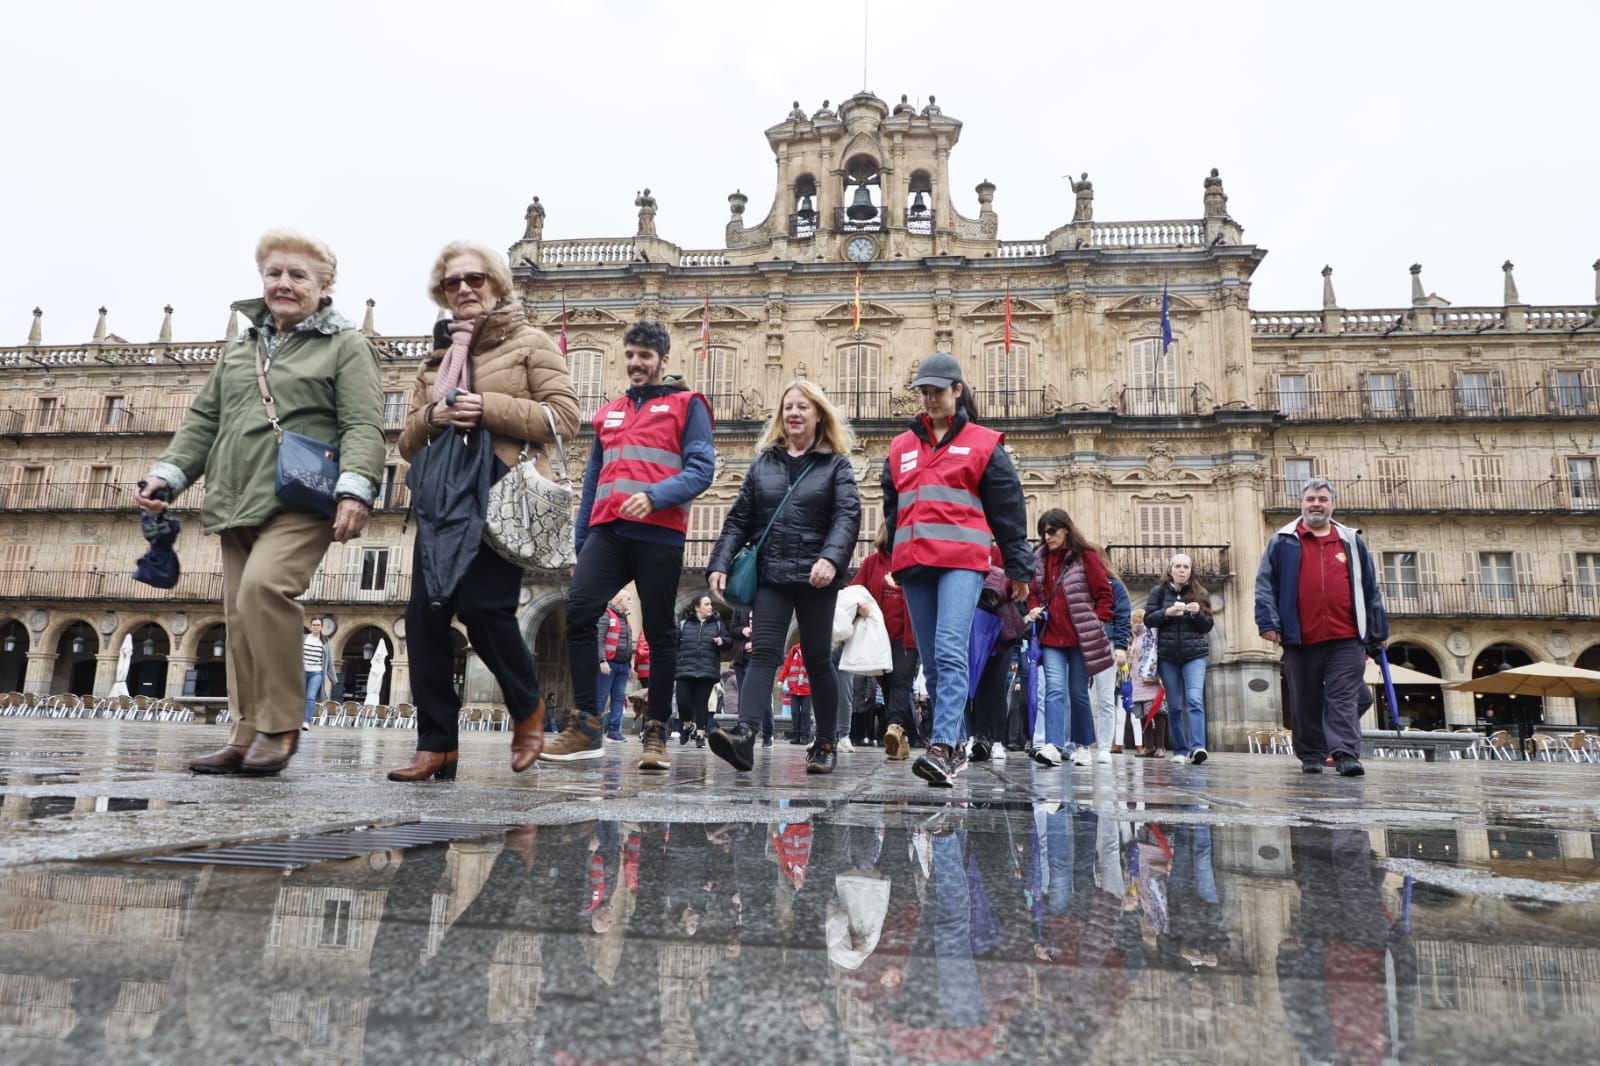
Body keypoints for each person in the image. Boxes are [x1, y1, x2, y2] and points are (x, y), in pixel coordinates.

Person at [137, 229, 383, 776]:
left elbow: (362, 423)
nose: (284, 283)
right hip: (234, 495)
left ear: (325, 285)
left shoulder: (346, 345)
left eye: (298, 275)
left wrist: (356, 488)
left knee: (265, 590)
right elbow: (204, 420)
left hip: (301, 495)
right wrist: (167, 477)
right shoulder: (241, 349)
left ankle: (279, 725)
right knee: (241, 616)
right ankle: (244, 732)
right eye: (274, 273)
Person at [387, 241, 579, 782]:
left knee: (484, 609)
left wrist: (487, 408)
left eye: (475, 279)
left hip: (498, 492)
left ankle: (527, 707)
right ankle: (437, 745)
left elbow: (563, 418)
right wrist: (431, 416)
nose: (465, 289)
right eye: (453, 283)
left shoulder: (529, 343)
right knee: (423, 618)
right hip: (442, 494)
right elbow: (405, 443)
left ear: (497, 284)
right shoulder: (436, 359)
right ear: (442, 293)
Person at [548, 320, 715, 767]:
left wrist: (656, 496)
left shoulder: (687, 405)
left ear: (663, 360)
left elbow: (703, 470)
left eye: (645, 356)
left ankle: (656, 733)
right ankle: (585, 724)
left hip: (659, 532)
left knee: (661, 632)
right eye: (630, 355)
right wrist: (580, 547)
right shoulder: (609, 413)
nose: (636, 363)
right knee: (580, 612)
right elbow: (593, 481)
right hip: (606, 530)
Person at [881, 352, 1032, 786]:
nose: (928, 399)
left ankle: (943, 745)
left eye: (936, 391)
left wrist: (1019, 568)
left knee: (949, 649)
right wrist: (893, 554)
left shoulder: (984, 444)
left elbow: (1008, 510)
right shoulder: (900, 447)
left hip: (962, 562)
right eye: (923, 392)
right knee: (931, 660)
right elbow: (894, 509)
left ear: (957, 391)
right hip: (914, 564)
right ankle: (956, 742)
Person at [705, 379, 860, 774]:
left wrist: (831, 558)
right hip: (771, 572)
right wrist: (719, 562)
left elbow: (847, 516)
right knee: (764, 653)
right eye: (788, 406)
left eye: (802, 407)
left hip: (816, 576)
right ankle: (744, 735)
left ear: (818, 415)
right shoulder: (763, 463)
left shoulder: (835, 464)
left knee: (818, 658)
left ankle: (825, 742)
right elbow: (739, 518)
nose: (793, 412)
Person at [1255, 478, 1388, 777]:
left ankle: (1345, 754)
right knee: (1305, 698)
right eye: (1311, 498)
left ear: (1332, 504)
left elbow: (1370, 587)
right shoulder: (1283, 540)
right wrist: (1268, 622)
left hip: (1347, 635)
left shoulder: (1351, 541)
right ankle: (1312, 754)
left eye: (1323, 499)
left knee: (1343, 695)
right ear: (1301, 503)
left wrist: (1378, 632)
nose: (1316, 503)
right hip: (1300, 635)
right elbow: (1265, 585)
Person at [1024, 509, 1114, 768]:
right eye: (1043, 532)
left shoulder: (1086, 557)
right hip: (1051, 636)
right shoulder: (1039, 559)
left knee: (1078, 692)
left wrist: (1098, 621)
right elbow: (1033, 593)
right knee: (1053, 690)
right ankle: (1053, 745)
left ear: (1066, 529)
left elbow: (1104, 593)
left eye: (1052, 530)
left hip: (1080, 637)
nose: (1047, 536)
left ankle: (1084, 745)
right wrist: (1033, 607)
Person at [1144, 553, 1216, 765]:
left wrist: (1197, 615)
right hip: (1168, 656)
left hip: (1195, 655)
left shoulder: (1200, 593)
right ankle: (1180, 750)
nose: (1182, 570)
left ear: (1190, 571)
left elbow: (1208, 626)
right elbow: (1148, 619)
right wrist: (1166, 612)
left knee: (1194, 700)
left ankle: (1197, 748)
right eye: (1178, 566)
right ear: (1170, 570)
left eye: (1186, 567)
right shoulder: (1157, 592)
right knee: (1175, 706)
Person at [1088, 562, 1133, 762]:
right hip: (1080, 642)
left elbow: (1123, 617)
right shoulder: (1081, 584)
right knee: (1079, 697)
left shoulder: (1115, 585)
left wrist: (1121, 646)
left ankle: (1104, 746)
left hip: (1107, 643)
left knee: (1105, 697)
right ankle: (1080, 745)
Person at [675, 594, 730, 748]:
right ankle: (688, 726)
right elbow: (674, 645)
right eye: (706, 604)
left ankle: (700, 734)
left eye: (710, 604)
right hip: (685, 668)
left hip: (707, 669)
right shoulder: (683, 624)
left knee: (702, 703)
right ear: (697, 607)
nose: (710, 606)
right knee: (682, 701)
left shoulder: (717, 624)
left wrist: (722, 641)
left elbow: (729, 642)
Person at [1129, 608, 1168, 757]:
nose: (1131, 624)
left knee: (1157, 713)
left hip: (1151, 680)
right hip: (1138, 682)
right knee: (1143, 715)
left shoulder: (1149, 633)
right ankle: (1149, 746)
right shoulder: (1136, 636)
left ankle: (1160, 747)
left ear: (1138, 620)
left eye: (1133, 621)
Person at [598, 592, 634, 742]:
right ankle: (594, 730)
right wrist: (602, 660)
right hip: (609, 664)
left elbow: (628, 643)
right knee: (601, 697)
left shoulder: (625, 619)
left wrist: (630, 665)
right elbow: (599, 638)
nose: (630, 602)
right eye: (628, 599)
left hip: (623, 665)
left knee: (619, 698)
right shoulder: (606, 615)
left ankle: (614, 732)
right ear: (619, 600)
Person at [779, 643, 813, 745]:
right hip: (794, 688)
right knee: (794, 712)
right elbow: (787, 666)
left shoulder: (812, 649)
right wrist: (781, 679)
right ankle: (796, 735)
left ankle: (804, 736)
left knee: (805, 713)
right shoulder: (794, 649)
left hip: (807, 689)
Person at [302, 618, 332, 729]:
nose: (316, 627)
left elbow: (329, 660)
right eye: (314, 624)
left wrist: (333, 678)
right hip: (302, 671)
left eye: (318, 625)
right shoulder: (303, 638)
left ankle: (306, 721)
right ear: (310, 626)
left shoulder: (325, 641)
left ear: (321, 627)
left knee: (310, 697)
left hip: (316, 673)